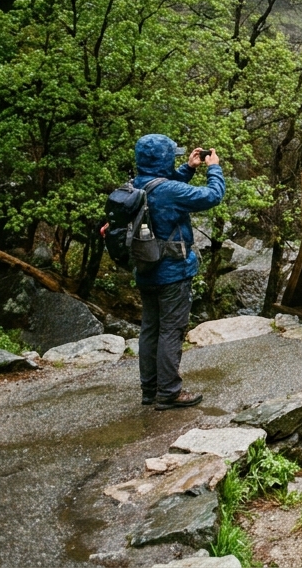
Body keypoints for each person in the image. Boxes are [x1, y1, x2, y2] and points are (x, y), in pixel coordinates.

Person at [132, 134, 225, 410]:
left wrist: (187, 169)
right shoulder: (169, 192)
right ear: (162, 160)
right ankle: (169, 392)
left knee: (150, 329)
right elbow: (213, 195)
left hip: (145, 269)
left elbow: (166, 190)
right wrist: (213, 168)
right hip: (172, 272)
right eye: (170, 157)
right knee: (171, 330)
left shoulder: (137, 185)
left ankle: (150, 390)